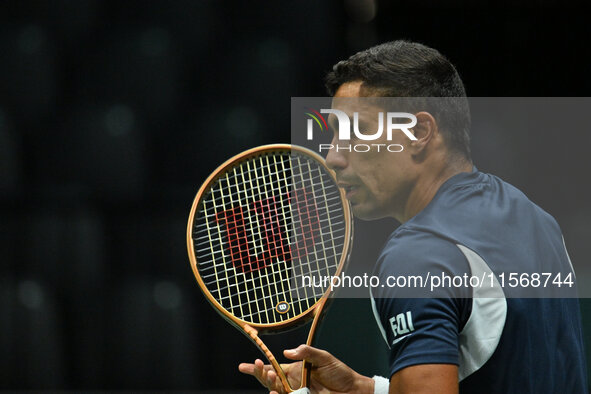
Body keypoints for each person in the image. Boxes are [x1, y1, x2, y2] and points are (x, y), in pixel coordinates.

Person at [238, 40, 588, 393]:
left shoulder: (418, 255)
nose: (333, 157)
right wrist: (366, 389)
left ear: (420, 132)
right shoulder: (536, 219)